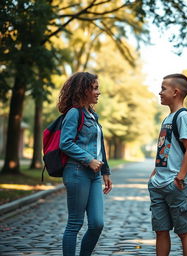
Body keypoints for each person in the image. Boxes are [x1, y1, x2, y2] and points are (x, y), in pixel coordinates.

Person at [58, 72, 112, 256]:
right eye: (95, 88)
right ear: (84, 89)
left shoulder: (93, 116)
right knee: (75, 223)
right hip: (77, 172)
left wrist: (105, 171)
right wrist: (88, 159)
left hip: (95, 176)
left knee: (97, 224)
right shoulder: (74, 113)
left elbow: (99, 145)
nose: (99, 92)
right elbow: (65, 143)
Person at [148, 73, 187, 256]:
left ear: (175, 92)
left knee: (184, 232)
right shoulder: (168, 118)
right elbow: (165, 150)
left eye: (163, 88)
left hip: (176, 184)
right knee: (160, 231)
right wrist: (154, 174)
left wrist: (180, 177)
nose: (159, 92)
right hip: (159, 183)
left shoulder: (183, 117)